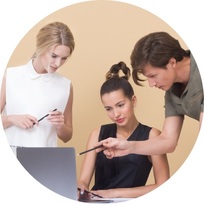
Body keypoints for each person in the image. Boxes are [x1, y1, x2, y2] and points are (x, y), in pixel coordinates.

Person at [96, 31, 203, 159]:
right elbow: (168, 140)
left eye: (153, 76)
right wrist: (129, 147)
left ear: (172, 63)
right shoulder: (172, 91)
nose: (151, 84)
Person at [77, 61, 169, 199]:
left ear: (133, 101)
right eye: (108, 109)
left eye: (120, 105)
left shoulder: (152, 136)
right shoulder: (97, 134)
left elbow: (163, 185)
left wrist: (113, 194)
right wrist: (81, 189)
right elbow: (83, 181)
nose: (116, 114)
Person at [0, 22, 75, 149]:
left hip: (46, 161)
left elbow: (67, 137)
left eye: (64, 58)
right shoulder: (10, 77)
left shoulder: (66, 86)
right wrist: (12, 119)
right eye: (54, 56)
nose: (58, 63)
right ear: (41, 47)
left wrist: (60, 126)